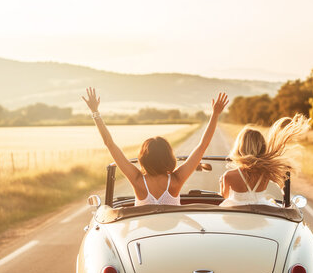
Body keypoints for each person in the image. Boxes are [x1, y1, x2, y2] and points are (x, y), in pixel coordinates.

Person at [82, 87, 229, 206]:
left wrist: (95, 112)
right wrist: (215, 114)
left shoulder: (138, 180)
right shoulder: (176, 180)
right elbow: (203, 146)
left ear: (144, 158)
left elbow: (109, 143)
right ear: (168, 157)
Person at [219, 114, 310, 207]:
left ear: (239, 147)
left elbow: (225, 196)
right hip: (262, 211)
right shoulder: (267, 173)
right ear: (262, 147)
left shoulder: (228, 176)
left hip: (236, 214)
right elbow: (283, 188)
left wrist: (222, 184)